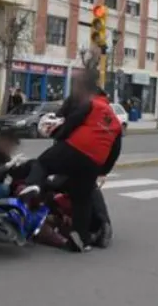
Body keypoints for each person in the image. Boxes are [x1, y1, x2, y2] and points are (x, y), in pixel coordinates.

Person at [19, 71, 122, 253]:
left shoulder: (90, 104)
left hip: (76, 147)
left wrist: (59, 136)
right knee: (81, 198)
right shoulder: (115, 121)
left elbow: (71, 123)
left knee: (43, 163)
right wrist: (102, 169)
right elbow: (115, 151)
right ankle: (80, 240)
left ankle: (31, 186)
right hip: (94, 161)